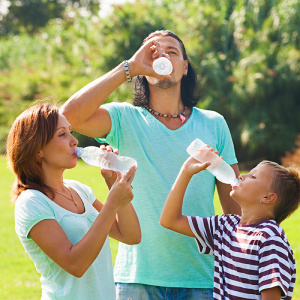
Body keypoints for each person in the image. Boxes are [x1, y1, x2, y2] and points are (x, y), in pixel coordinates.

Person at [60, 30, 241, 299]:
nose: (163, 56)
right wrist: (128, 68)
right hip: (136, 279)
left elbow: (236, 212)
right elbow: (68, 117)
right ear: (144, 68)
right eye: (153, 53)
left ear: (184, 66)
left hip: (201, 278)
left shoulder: (214, 123)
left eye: (172, 51)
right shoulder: (123, 118)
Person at [6, 103, 141, 300]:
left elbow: (131, 236)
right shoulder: (31, 202)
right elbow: (76, 264)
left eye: (71, 132)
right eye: (62, 134)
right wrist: (112, 204)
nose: (74, 141)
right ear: (37, 149)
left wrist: (114, 183)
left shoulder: (79, 189)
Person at [160, 155, 300, 300]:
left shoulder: (270, 238)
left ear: (268, 198)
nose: (241, 176)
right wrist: (186, 172)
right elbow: (170, 220)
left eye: (253, 176)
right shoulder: (224, 226)